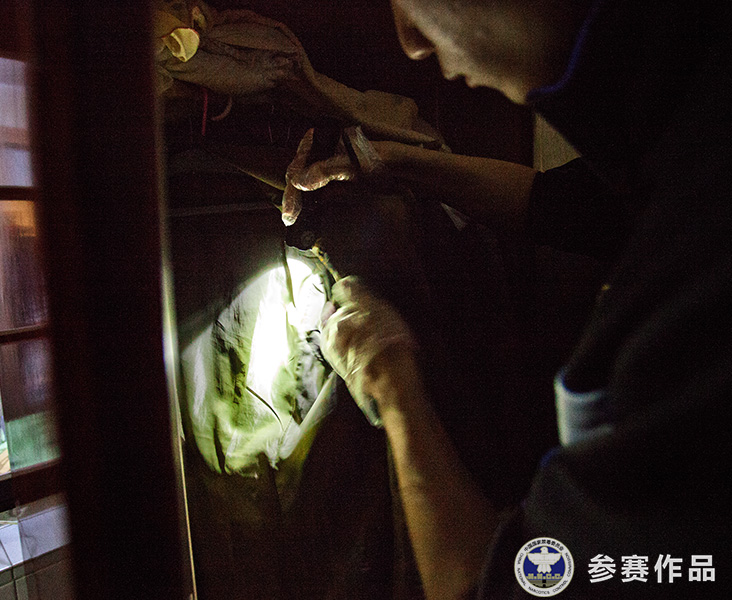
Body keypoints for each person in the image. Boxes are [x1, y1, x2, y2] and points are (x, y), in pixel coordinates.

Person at [283, 1, 731, 598]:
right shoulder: (693, 117)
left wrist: (391, 380)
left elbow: (504, 585)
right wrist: (393, 164)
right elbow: (563, 206)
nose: (411, 40)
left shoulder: (701, 267)